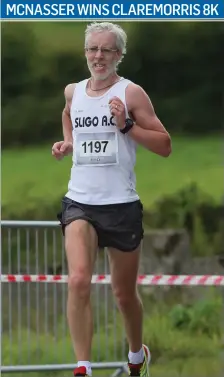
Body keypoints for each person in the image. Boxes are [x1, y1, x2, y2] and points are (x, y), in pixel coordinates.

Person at [52, 22, 171, 377]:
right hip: (80, 201)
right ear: (85, 52)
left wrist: (126, 126)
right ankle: (84, 367)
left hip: (120, 204)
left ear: (118, 55)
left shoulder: (131, 93)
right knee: (78, 280)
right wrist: (69, 141)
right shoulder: (73, 92)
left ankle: (137, 355)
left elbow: (165, 145)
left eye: (106, 50)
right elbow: (68, 114)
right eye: (92, 49)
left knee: (123, 294)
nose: (98, 56)